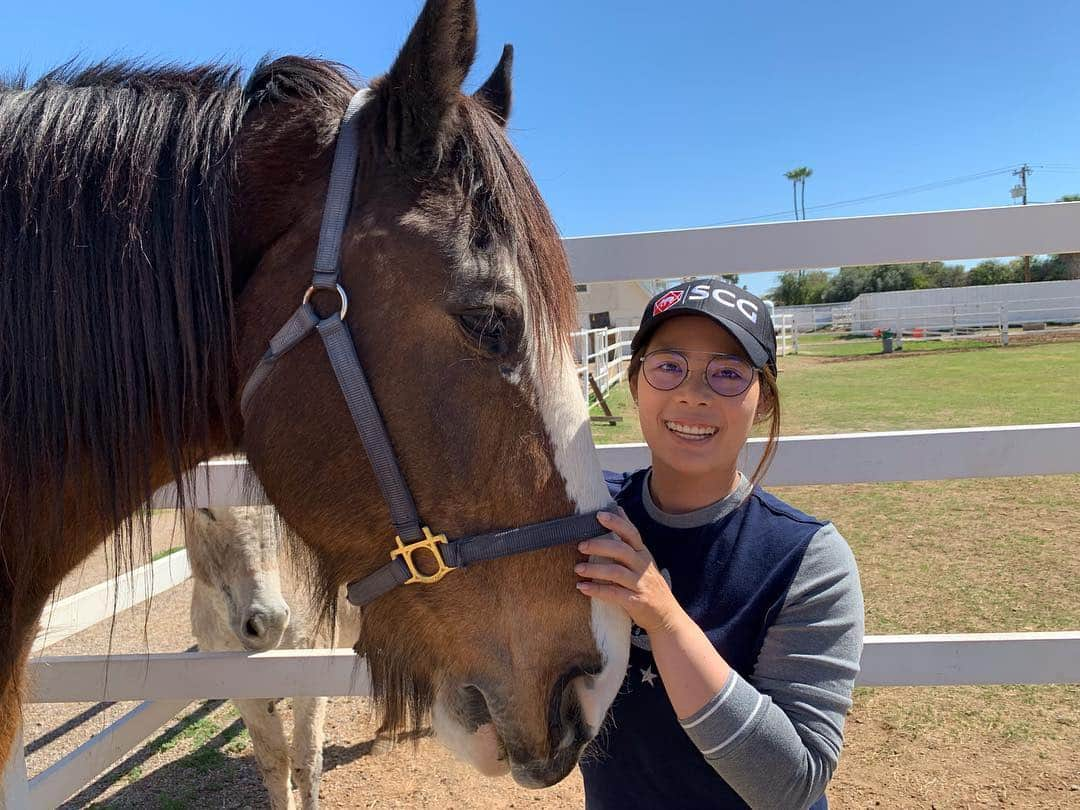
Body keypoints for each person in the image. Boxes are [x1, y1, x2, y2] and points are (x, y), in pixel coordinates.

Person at [576, 278, 864, 810]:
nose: (693, 392)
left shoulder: (808, 560)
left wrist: (663, 619)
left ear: (762, 401)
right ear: (635, 383)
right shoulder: (591, 516)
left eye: (728, 373)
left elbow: (792, 785)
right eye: (668, 366)